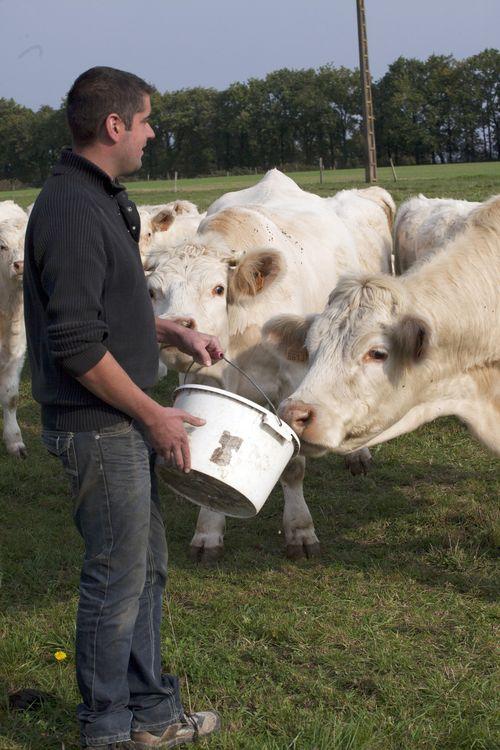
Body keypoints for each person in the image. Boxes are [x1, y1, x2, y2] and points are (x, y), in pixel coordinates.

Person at [23, 66, 222, 750]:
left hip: (121, 420)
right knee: (115, 577)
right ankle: (106, 730)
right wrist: (152, 413)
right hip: (100, 425)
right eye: (145, 121)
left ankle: (153, 714)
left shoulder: (101, 196)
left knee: (145, 568)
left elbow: (108, 308)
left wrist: (171, 331)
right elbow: (77, 345)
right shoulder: (73, 211)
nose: (152, 132)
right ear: (115, 127)